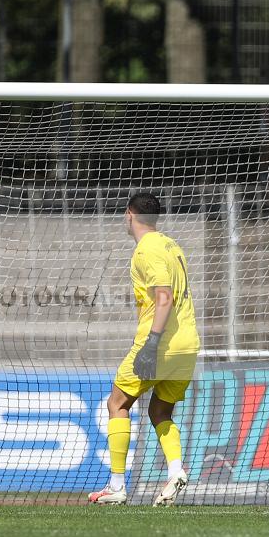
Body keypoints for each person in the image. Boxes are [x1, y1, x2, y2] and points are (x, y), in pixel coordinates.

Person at [88, 193, 200, 506]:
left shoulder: (146, 249)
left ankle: (116, 486)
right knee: (159, 411)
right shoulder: (171, 245)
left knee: (117, 403)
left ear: (129, 215)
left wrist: (151, 344)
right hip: (187, 345)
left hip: (161, 343)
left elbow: (164, 297)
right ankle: (176, 470)